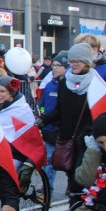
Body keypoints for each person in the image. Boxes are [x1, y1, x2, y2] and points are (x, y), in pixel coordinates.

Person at [38, 44, 103, 194]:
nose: (72, 65)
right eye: (71, 61)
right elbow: (59, 111)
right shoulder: (64, 83)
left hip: (88, 141)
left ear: (86, 61)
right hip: (68, 139)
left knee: (81, 181)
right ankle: (74, 210)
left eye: (76, 61)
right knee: (72, 179)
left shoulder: (96, 84)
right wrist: (43, 120)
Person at [38, 52, 68, 188]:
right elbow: (42, 105)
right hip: (49, 129)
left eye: (58, 66)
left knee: (66, 160)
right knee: (49, 160)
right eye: (53, 65)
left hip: (63, 129)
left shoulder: (69, 86)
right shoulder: (49, 85)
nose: (54, 68)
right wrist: (43, 116)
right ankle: (47, 189)